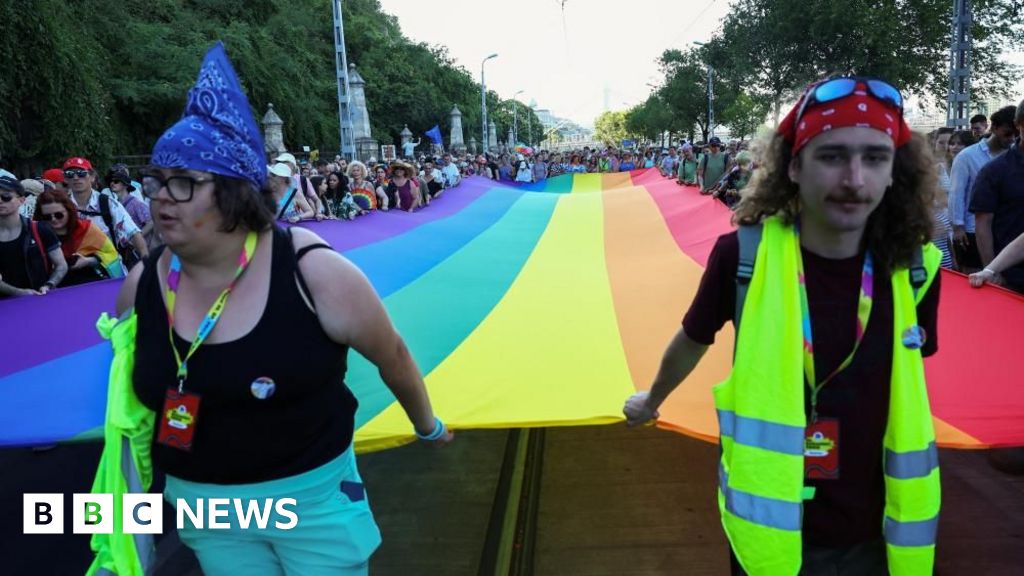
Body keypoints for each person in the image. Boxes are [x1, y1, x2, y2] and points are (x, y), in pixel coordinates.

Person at [91, 43, 452, 576]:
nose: (161, 198)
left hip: (311, 501)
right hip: (204, 505)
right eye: (157, 182)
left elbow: (391, 354)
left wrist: (427, 426)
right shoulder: (142, 286)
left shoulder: (314, 272)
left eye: (184, 183)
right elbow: (130, 404)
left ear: (237, 192)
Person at [623, 76, 942, 575]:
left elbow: (907, 381)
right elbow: (693, 338)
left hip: (881, 534)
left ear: (894, 172)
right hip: (772, 531)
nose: (855, 179)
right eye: (832, 156)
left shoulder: (916, 266)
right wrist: (652, 400)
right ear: (793, 166)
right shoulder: (743, 257)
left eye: (875, 158)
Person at [949, 105, 1017, 271]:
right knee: (973, 278)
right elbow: (957, 193)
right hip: (970, 231)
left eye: (1016, 134)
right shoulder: (967, 156)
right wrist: (958, 227)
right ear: (994, 127)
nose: (1012, 139)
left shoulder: (1014, 157)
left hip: (1003, 231)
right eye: (1007, 133)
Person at [970, 98, 1024, 293]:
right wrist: (991, 269)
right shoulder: (995, 171)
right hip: (1012, 277)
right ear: (1019, 125)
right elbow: (982, 223)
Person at [63, 156, 150, 263]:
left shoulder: (108, 204)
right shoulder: (62, 206)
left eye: (81, 173)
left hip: (108, 268)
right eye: (70, 174)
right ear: (65, 179)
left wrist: (147, 265)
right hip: (72, 268)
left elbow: (133, 233)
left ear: (92, 177)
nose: (76, 177)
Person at [34, 189, 125, 285]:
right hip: (52, 291)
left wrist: (88, 261)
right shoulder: (36, 236)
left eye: (58, 215)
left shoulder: (88, 230)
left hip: (90, 287)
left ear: (69, 211)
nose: (53, 219)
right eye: (47, 217)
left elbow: (112, 255)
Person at [0, 176, 67, 297]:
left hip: (41, 300)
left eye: (6, 197)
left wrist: (49, 285)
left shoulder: (40, 229)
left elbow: (61, 265)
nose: (0, 201)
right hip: (5, 306)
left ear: (21, 200)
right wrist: (18, 292)